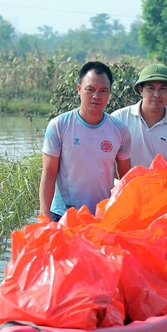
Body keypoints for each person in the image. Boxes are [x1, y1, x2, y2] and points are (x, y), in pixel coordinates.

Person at [40, 61, 132, 221]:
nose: (96, 96)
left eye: (103, 91)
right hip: (64, 216)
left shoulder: (119, 130)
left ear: (110, 93)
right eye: (90, 90)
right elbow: (49, 173)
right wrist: (44, 215)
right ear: (79, 90)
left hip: (102, 217)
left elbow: (125, 178)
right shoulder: (59, 125)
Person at [111, 64, 167, 169]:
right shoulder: (119, 119)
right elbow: (103, 158)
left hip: (161, 185)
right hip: (122, 185)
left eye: (163, 88)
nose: (157, 94)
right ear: (141, 90)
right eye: (151, 88)